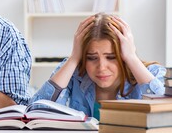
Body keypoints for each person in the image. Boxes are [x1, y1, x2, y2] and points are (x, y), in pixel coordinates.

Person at [31, 13, 166, 120]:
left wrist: (131, 57)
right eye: (92, 58)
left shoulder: (152, 73)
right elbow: (36, 113)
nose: (101, 67)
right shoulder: (74, 72)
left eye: (111, 57)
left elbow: (165, 114)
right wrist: (73, 59)